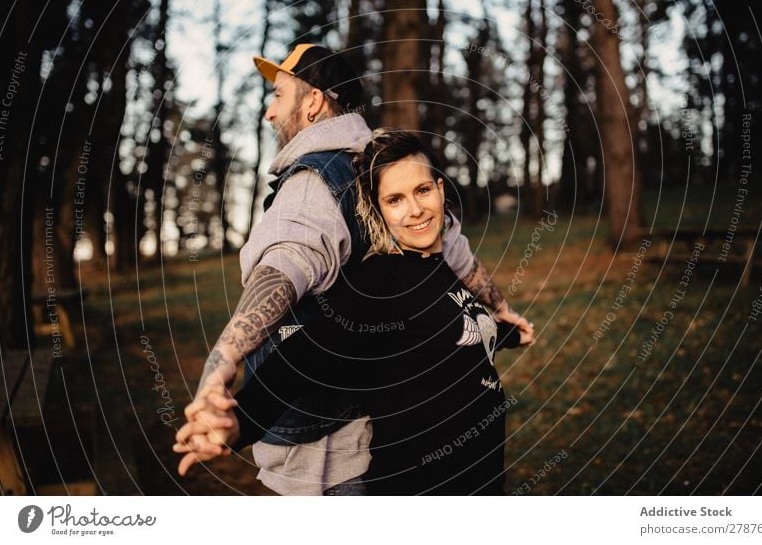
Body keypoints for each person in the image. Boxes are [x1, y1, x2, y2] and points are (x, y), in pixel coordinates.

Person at [176, 44, 534, 495]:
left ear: (313, 102)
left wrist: (500, 314)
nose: (269, 113)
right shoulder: (370, 194)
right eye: (396, 202)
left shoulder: (342, 177)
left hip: (342, 449)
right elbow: (297, 315)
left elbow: (452, 255)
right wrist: (227, 375)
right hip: (348, 455)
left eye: (278, 95)